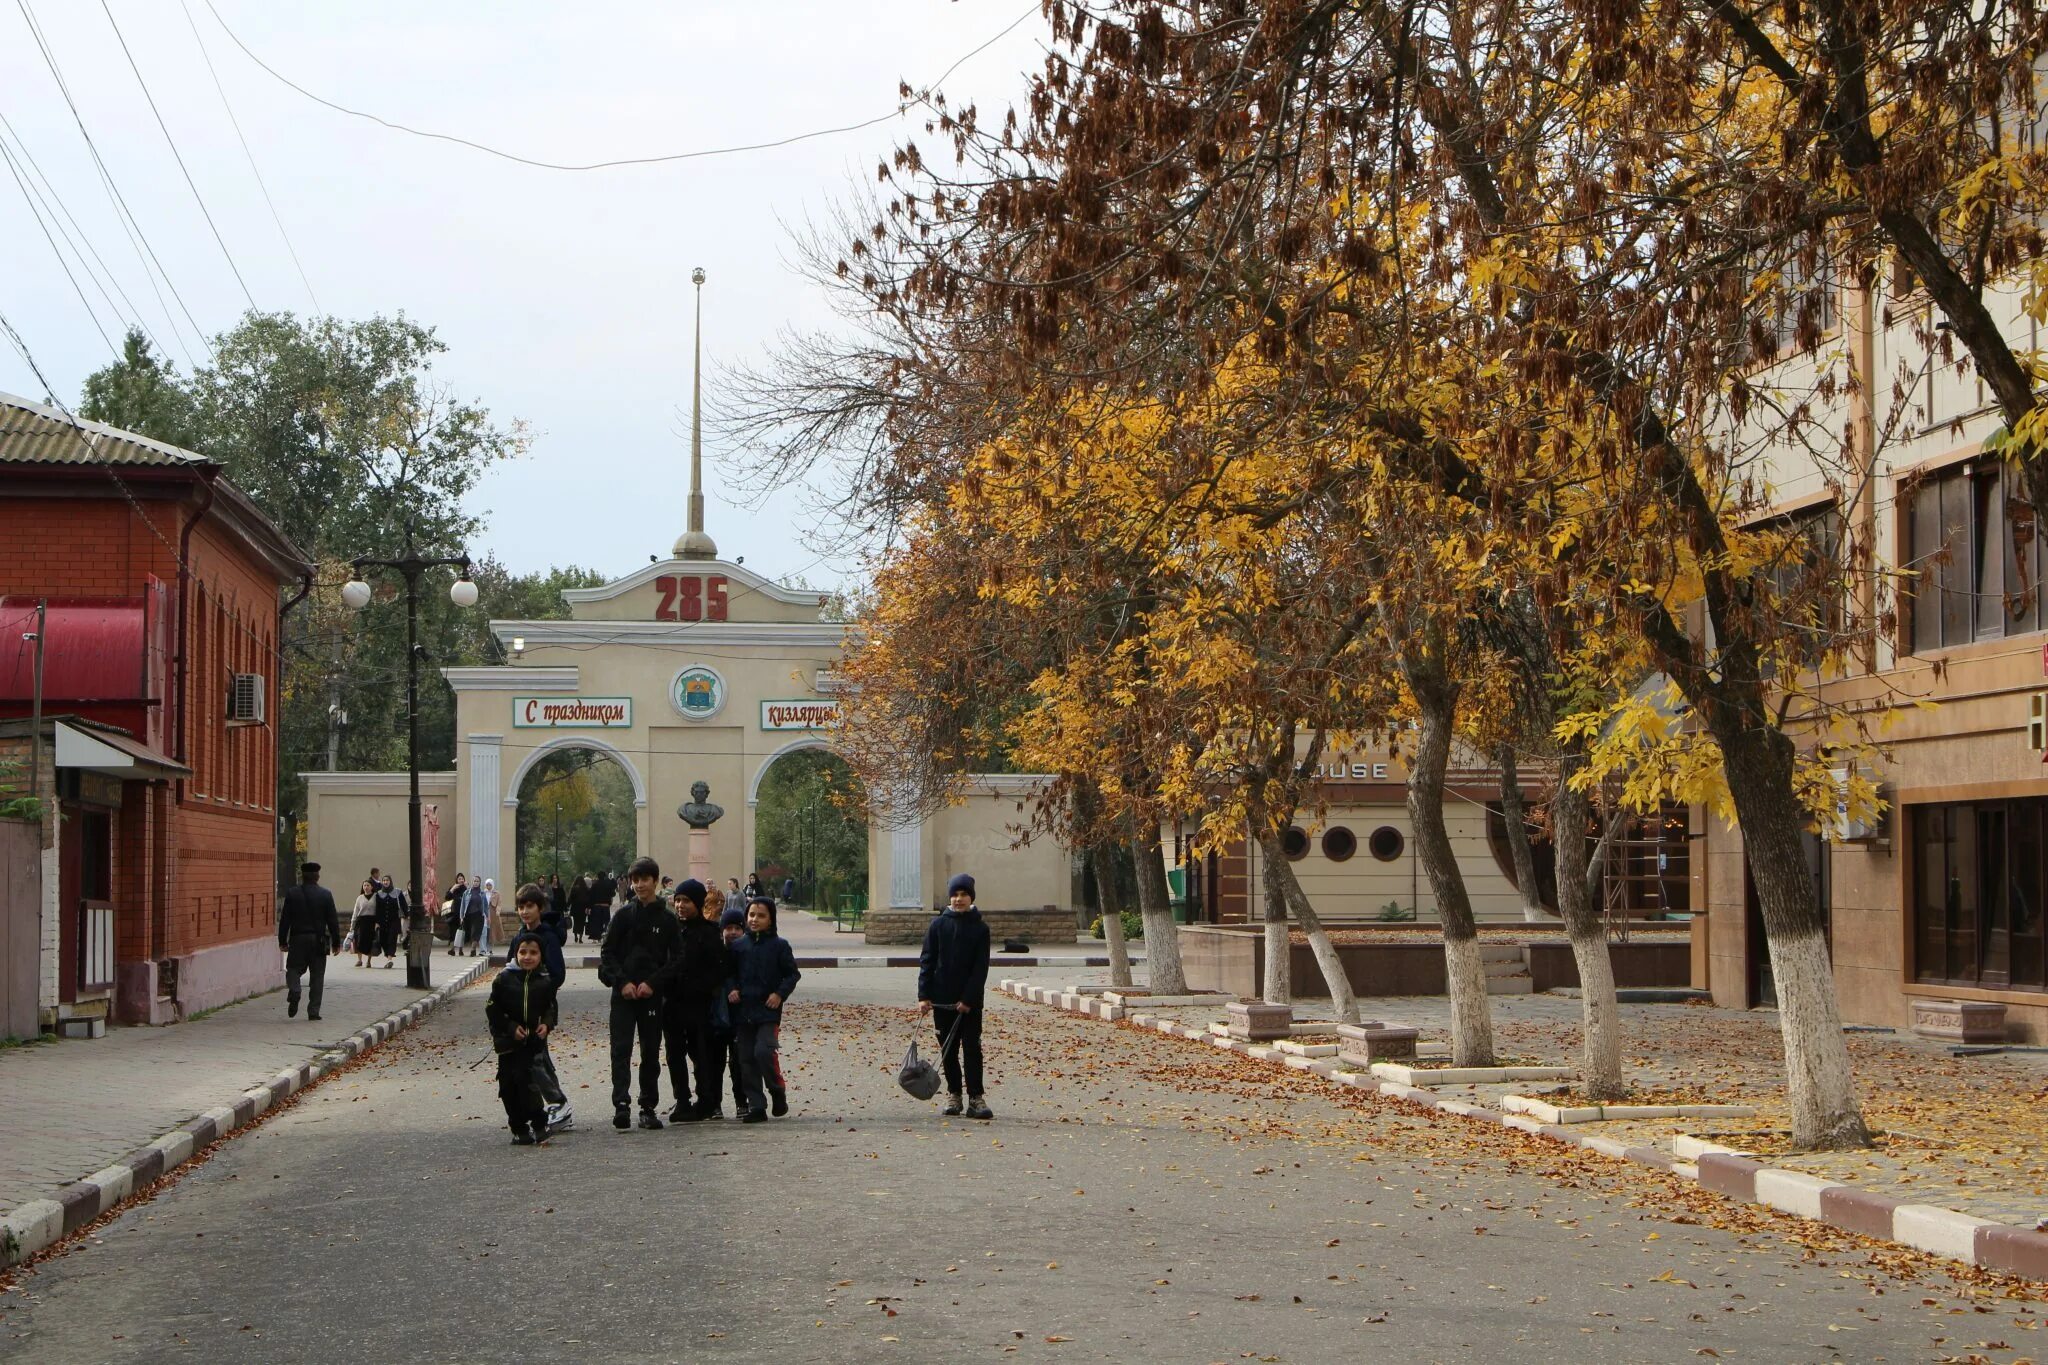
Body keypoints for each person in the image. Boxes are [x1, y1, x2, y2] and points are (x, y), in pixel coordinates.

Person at [598, 856, 683, 1131]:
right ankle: (621, 1105)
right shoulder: (622, 916)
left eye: (644, 880)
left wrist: (653, 983)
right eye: (635, 880)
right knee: (620, 1051)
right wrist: (621, 983)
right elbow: (607, 953)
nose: (639, 885)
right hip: (623, 995)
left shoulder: (668, 919)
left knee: (650, 1052)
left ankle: (648, 1107)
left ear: (655, 882)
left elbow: (677, 959)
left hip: (651, 996)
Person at [918, 872, 994, 1120]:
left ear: (971, 897)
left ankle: (976, 1098)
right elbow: (927, 961)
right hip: (942, 1001)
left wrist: (968, 1000)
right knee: (948, 1050)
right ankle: (954, 1095)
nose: (959, 899)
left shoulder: (980, 929)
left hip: (970, 1005)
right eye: (955, 894)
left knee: (972, 1049)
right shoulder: (938, 925)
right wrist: (924, 995)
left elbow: (980, 968)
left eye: (963, 894)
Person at [725, 896, 799, 1124]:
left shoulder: (779, 946)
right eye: (751, 915)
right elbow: (729, 974)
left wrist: (779, 994)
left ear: (771, 919)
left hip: (768, 1011)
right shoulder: (738, 946)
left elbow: (792, 974)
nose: (755, 920)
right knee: (745, 1058)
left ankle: (777, 1090)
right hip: (744, 1010)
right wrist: (733, 989)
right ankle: (756, 1104)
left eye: (761, 915)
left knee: (763, 1052)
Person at [660, 878, 727, 1122]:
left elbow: (718, 969)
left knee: (701, 1054)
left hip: (699, 1006)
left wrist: (701, 988)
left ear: (697, 903)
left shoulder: (709, 933)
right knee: (674, 1054)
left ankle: (706, 1100)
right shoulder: (669, 931)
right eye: (677, 900)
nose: (680, 905)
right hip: (672, 1004)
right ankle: (682, 1101)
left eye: (686, 901)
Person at [486, 932, 559, 1145]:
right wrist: (510, 1027)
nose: (527, 957)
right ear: (515, 953)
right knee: (508, 1087)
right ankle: (519, 1128)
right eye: (523, 952)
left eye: (533, 953)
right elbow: (492, 1008)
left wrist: (546, 1024)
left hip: (532, 1043)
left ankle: (539, 1123)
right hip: (508, 1044)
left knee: (528, 1084)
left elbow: (551, 1008)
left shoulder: (545, 982)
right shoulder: (504, 979)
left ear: (541, 956)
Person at [514, 883, 574, 1132]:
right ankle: (554, 1104)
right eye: (521, 907)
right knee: (536, 1057)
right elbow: (511, 966)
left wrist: (539, 988)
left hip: (541, 1005)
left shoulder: (548, 936)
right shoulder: (519, 936)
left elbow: (557, 974)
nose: (525, 911)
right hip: (520, 1004)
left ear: (540, 908)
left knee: (535, 1058)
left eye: (529, 906)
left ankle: (558, 1102)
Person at [278, 862, 343, 1020]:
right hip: (318, 940)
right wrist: (336, 942)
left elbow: (285, 919)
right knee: (317, 976)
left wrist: (282, 940)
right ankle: (313, 1011)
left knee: (293, 969)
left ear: (302, 875)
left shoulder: (292, 894)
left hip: (297, 939)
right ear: (317, 876)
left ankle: (295, 989)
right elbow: (333, 921)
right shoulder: (325, 895)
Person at [376, 875, 405, 969]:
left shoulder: (397, 892)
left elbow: (404, 905)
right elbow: (377, 909)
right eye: (384, 880)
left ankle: (390, 959)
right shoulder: (379, 893)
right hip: (382, 921)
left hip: (394, 920)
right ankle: (388, 955)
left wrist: (407, 915)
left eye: (387, 880)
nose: (385, 882)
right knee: (383, 940)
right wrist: (376, 922)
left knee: (392, 939)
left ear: (390, 881)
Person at [350, 879, 379, 968]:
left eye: (368, 885)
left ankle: (369, 961)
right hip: (361, 921)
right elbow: (356, 912)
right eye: (364, 886)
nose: (366, 887)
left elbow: (379, 910)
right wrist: (352, 925)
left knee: (370, 940)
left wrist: (378, 922)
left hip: (371, 921)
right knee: (359, 939)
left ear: (372, 887)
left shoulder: (376, 896)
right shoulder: (360, 898)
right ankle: (359, 960)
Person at [568, 874, 590, 945]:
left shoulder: (574, 888)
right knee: (582, 923)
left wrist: (567, 906)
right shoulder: (585, 888)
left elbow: (570, 898)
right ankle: (580, 937)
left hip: (575, 907)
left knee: (576, 922)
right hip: (583, 908)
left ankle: (575, 936)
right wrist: (588, 907)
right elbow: (588, 899)